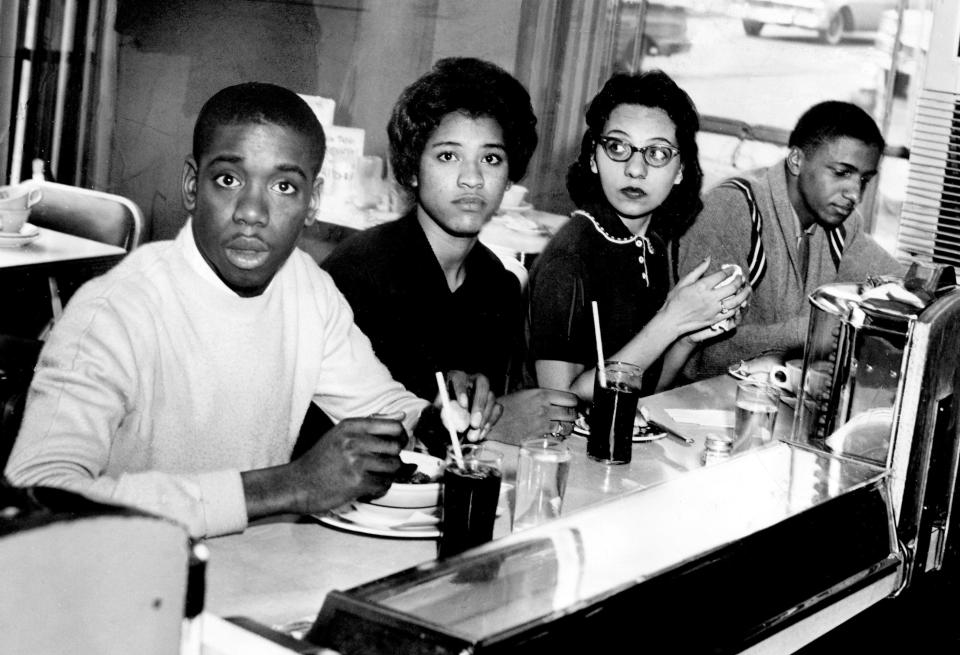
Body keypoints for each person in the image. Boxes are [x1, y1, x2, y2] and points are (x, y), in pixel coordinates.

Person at [4, 82, 493, 539]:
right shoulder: (113, 313)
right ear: (192, 187)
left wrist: (440, 415)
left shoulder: (305, 286)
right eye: (229, 179)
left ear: (312, 203)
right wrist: (287, 485)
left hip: (254, 571)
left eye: (284, 187)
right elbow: (39, 496)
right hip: (129, 585)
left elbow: (382, 408)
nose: (252, 212)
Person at [324, 57, 578, 443]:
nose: (472, 178)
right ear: (411, 169)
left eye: (491, 159)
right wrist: (490, 427)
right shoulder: (358, 273)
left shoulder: (498, 285)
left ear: (509, 177)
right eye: (448, 156)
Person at [526, 70, 750, 401]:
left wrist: (689, 334)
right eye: (617, 147)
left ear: (681, 170)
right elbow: (559, 404)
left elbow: (644, 391)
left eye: (657, 153)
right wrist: (671, 320)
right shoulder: (570, 256)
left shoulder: (649, 245)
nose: (635, 169)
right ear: (593, 158)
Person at [677, 100, 905, 380]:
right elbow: (700, 356)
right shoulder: (734, 208)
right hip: (694, 404)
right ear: (796, 160)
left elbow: (902, 286)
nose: (855, 194)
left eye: (865, 180)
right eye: (841, 173)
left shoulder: (840, 224)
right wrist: (813, 331)